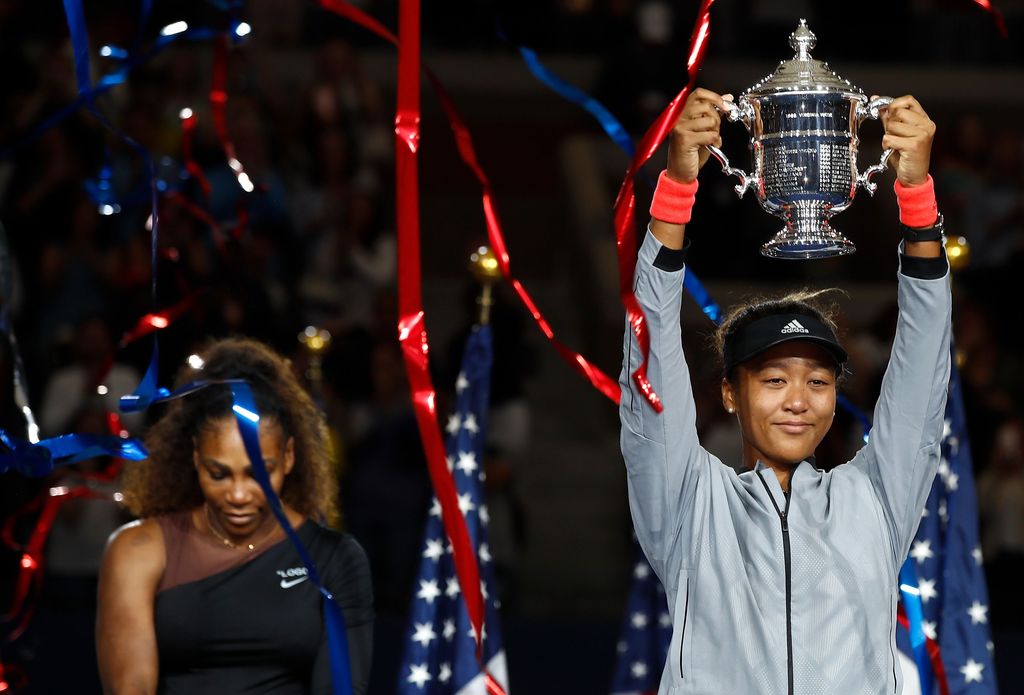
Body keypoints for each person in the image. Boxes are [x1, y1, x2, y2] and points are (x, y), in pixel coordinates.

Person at [620, 88, 949, 693]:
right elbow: (650, 364)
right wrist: (675, 190)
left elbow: (922, 373)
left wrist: (918, 201)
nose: (798, 399)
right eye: (773, 380)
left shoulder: (875, 498)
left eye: (817, 382)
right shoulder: (691, 503)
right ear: (729, 394)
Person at [96, 338, 373, 694]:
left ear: (289, 457)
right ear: (196, 457)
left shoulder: (337, 559)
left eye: (259, 472)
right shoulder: (136, 550)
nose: (239, 495)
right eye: (219, 473)